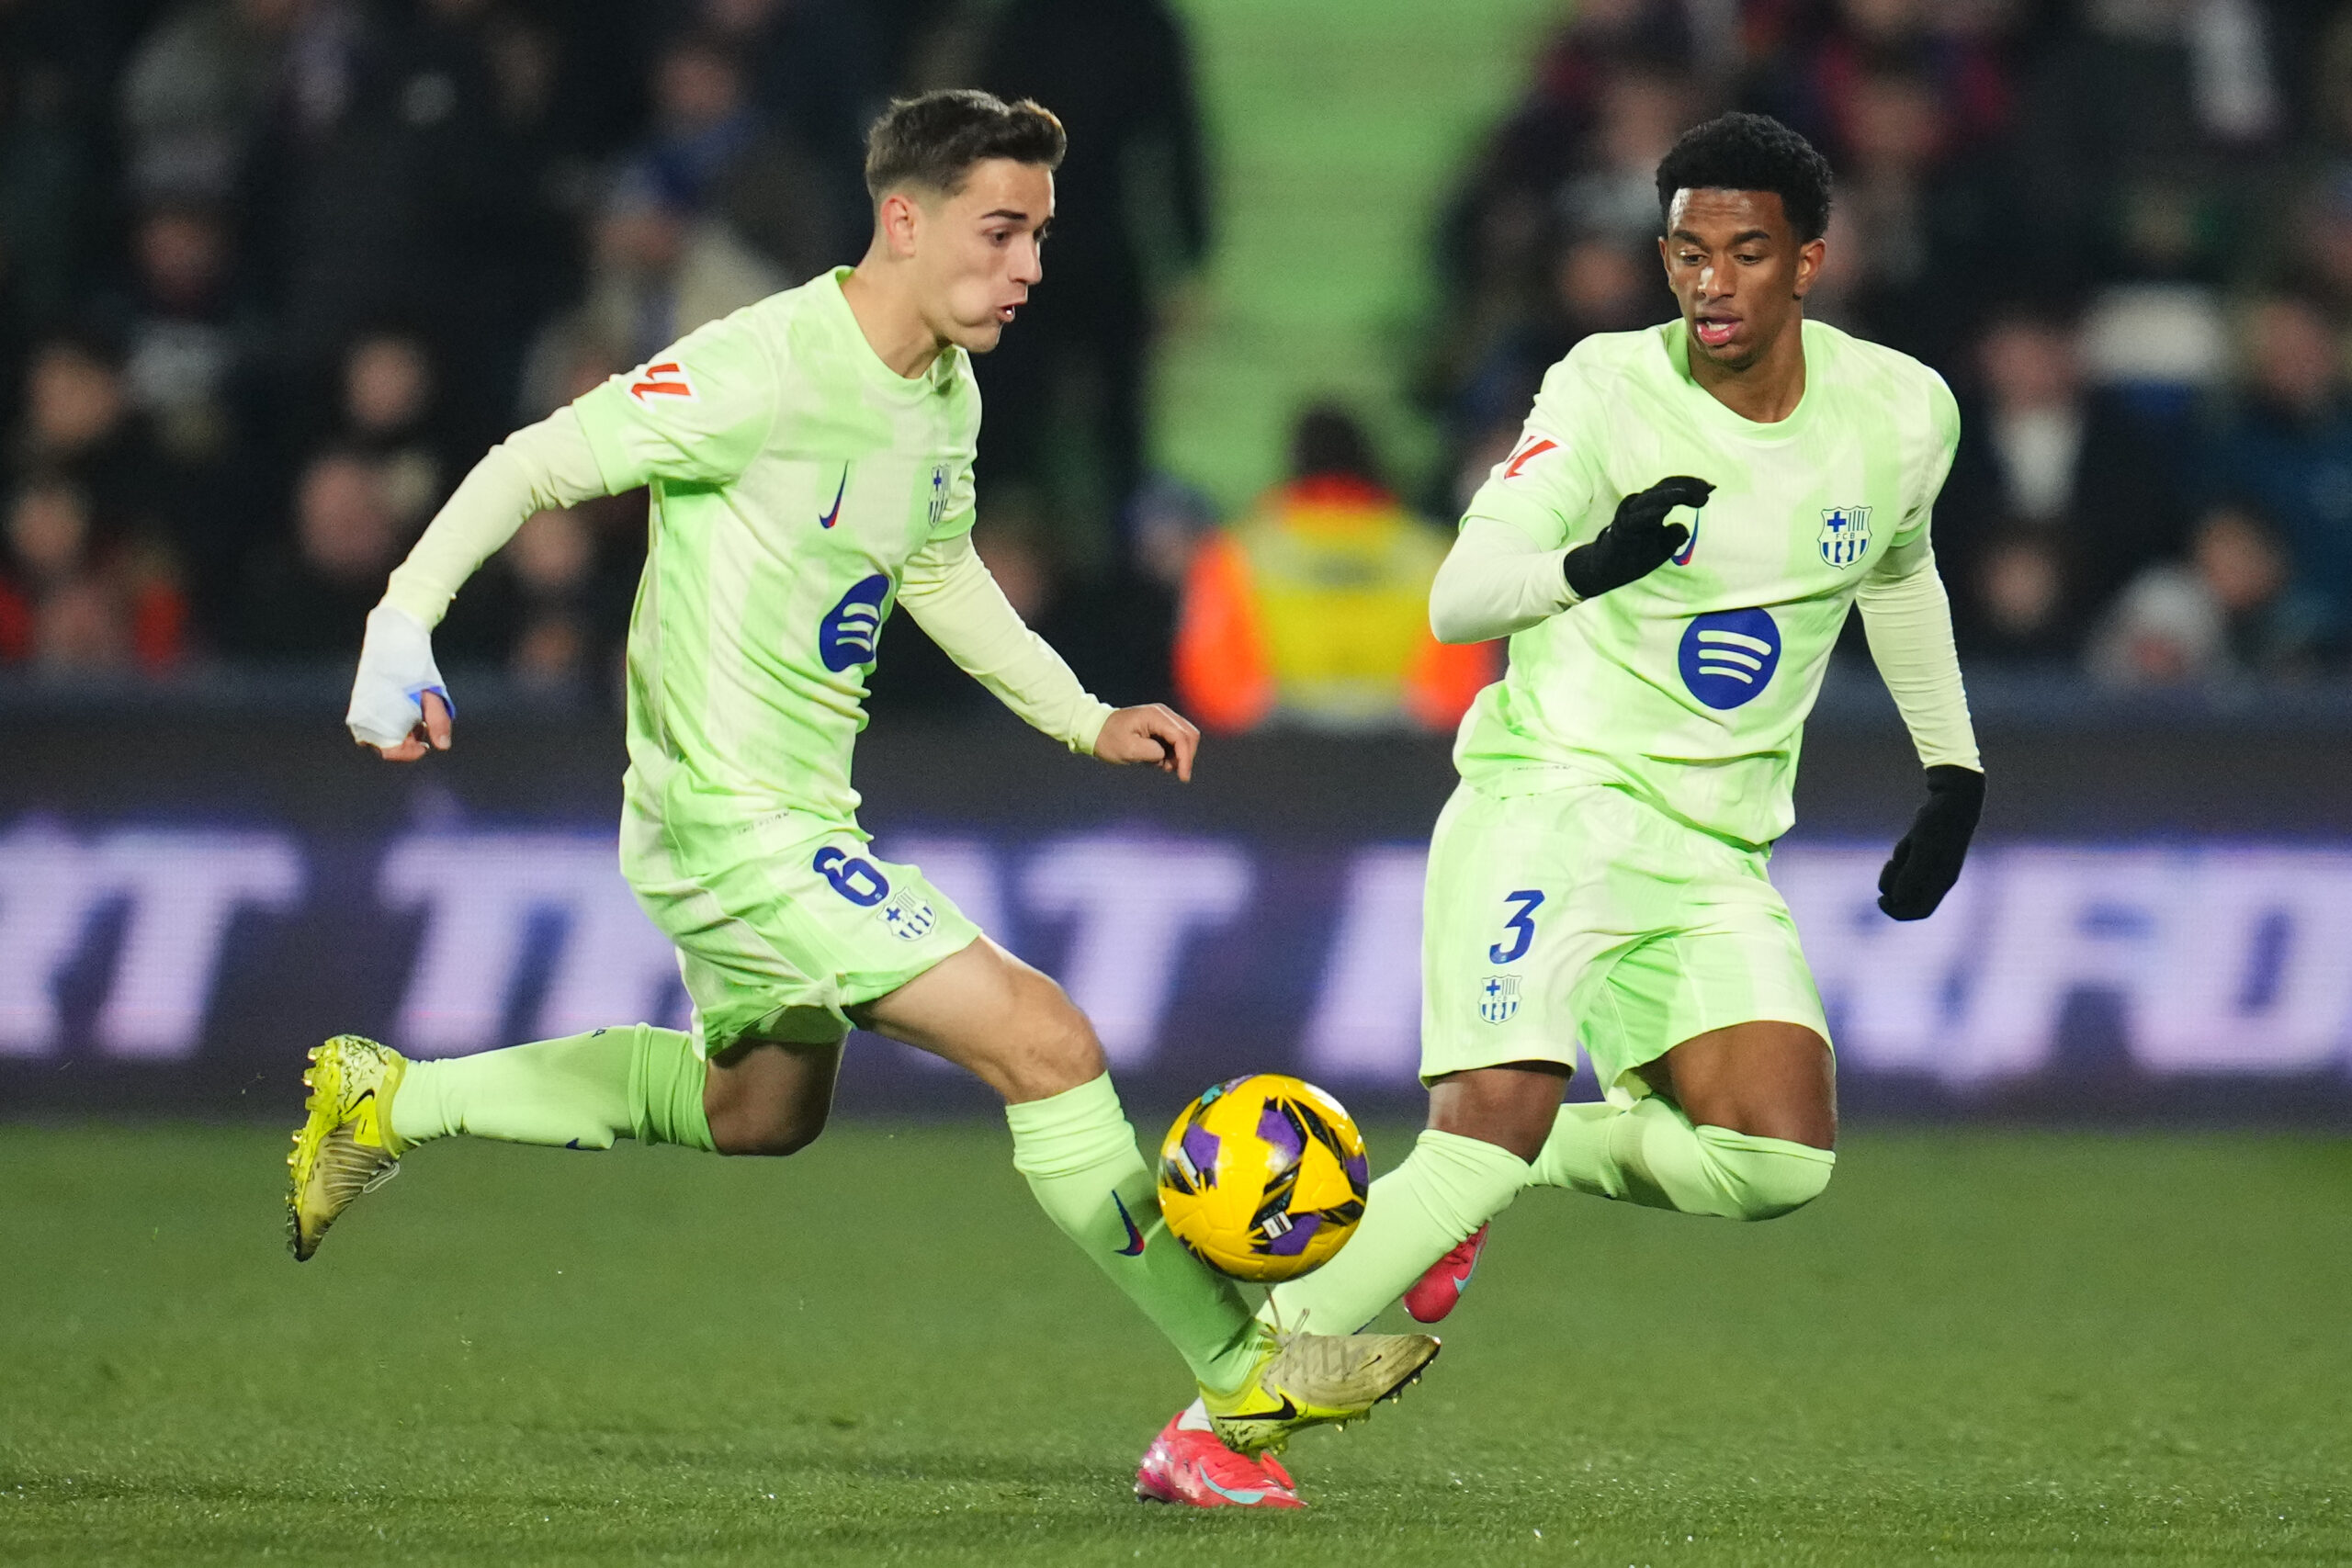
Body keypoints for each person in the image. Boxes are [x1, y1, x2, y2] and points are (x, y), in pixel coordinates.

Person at [284, 89, 1435, 1487]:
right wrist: (401, 625)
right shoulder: (760, 366)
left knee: (758, 1110)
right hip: (734, 819)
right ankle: (1242, 1374)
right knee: (1049, 1044)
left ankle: (387, 1099)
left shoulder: (943, 388)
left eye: (1040, 236)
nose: (1029, 267)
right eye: (1003, 232)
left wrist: (1082, 715)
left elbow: (938, 567)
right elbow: (534, 463)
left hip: (768, 818)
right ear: (905, 220)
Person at [1140, 112, 1983, 1506]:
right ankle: (1223, 1421)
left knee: (1776, 1156)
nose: (1712, 282)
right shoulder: (1601, 389)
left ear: (1810, 262)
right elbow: (1458, 595)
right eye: (1688, 253)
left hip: (1713, 844)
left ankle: (1479, 1190)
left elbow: (1897, 569)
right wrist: (1593, 559)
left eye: (1747, 252)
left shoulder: (1903, 411)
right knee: (1491, 1116)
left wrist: (1953, 772)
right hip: (1556, 800)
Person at [1172, 402, 1494, 734]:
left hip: (1273, 758)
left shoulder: (1234, 552)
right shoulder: (1436, 553)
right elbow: (1459, 690)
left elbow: (1215, 689)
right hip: (1402, 758)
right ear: (1372, 463)